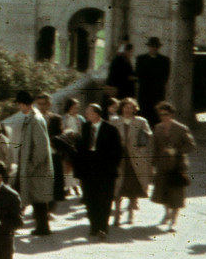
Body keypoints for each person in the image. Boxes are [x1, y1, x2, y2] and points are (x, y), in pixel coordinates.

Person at [74, 101, 123, 240]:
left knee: (104, 200)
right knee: (90, 199)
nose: (86, 114)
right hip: (89, 170)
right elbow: (80, 149)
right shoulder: (84, 128)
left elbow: (118, 151)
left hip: (105, 171)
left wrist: (111, 167)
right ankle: (94, 226)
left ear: (96, 114)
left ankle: (103, 228)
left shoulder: (110, 129)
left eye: (88, 112)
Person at [10, 91, 56, 236]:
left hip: (35, 168)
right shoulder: (32, 118)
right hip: (32, 167)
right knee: (37, 198)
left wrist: (31, 166)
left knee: (37, 198)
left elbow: (41, 147)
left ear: (22, 104)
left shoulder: (35, 119)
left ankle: (41, 227)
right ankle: (42, 227)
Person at [148, 102, 194, 231]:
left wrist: (177, 151)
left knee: (176, 195)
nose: (163, 117)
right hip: (162, 166)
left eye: (166, 114)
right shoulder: (157, 128)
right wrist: (152, 164)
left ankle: (173, 221)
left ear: (171, 114)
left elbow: (191, 145)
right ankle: (167, 213)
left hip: (177, 166)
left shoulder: (181, 128)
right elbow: (155, 147)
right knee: (163, 192)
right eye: (161, 114)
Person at [112, 98, 152, 226]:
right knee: (117, 187)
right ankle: (117, 215)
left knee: (133, 187)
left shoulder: (141, 121)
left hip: (134, 159)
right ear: (121, 108)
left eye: (131, 107)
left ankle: (131, 214)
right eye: (125, 107)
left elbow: (148, 138)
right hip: (118, 158)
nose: (128, 110)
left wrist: (141, 151)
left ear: (135, 109)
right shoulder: (114, 121)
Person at [134, 38, 171, 125]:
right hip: (144, 91)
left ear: (158, 48)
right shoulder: (141, 59)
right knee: (144, 112)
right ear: (149, 47)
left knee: (157, 113)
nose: (154, 48)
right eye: (152, 46)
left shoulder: (164, 60)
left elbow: (165, 76)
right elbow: (138, 74)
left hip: (157, 91)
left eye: (156, 46)